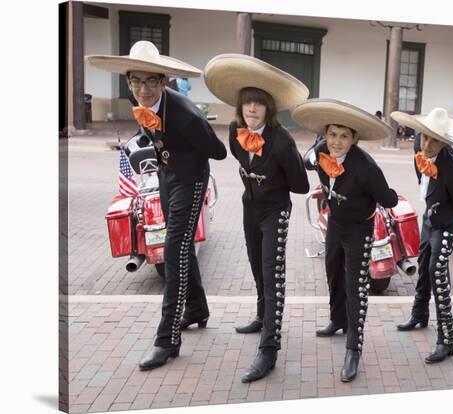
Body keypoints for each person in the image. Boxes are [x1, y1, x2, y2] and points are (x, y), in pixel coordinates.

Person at [87, 41, 227, 370]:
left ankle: (167, 339)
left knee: (173, 248)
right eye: (136, 81)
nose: (143, 89)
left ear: (163, 82)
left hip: (191, 181)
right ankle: (196, 308)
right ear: (128, 82)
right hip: (166, 177)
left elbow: (217, 151)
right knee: (181, 248)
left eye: (151, 81)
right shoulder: (145, 104)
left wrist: (189, 144)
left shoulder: (187, 115)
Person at [204, 53, 310, 383]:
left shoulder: (282, 141)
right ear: (240, 108)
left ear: (268, 109)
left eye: (258, 105)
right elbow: (241, 159)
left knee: (272, 272)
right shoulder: (235, 130)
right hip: (250, 207)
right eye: (247, 104)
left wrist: (278, 171)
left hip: (276, 211)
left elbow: (301, 185)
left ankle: (269, 348)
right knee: (255, 265)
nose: (252, 110)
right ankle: (263, 317)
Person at [292, 99, 398, 382]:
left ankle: (354, 348)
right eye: (332, 135)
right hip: (335, 223)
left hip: (359, 229)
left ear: (354, 139)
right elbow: (306, 160)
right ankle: (337, 320)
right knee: (332, 271)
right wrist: (315, 151)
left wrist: (388, 194)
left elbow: (388, 199)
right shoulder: (322, 150)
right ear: (325, 135)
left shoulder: (367, 167)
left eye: (344, 136)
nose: (337, 142)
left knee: (356, 286)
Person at [391, 108, 453, 363]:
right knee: (423, 265)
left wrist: (448, 198)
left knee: (438, 274)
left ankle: (446, 339)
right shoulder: (419, 156)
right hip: (429, 220)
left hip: (447, 225)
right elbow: (426, 185)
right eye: (424, 137)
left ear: (445, 143)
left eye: (434, 140)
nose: (426, 144)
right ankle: (419, 315)